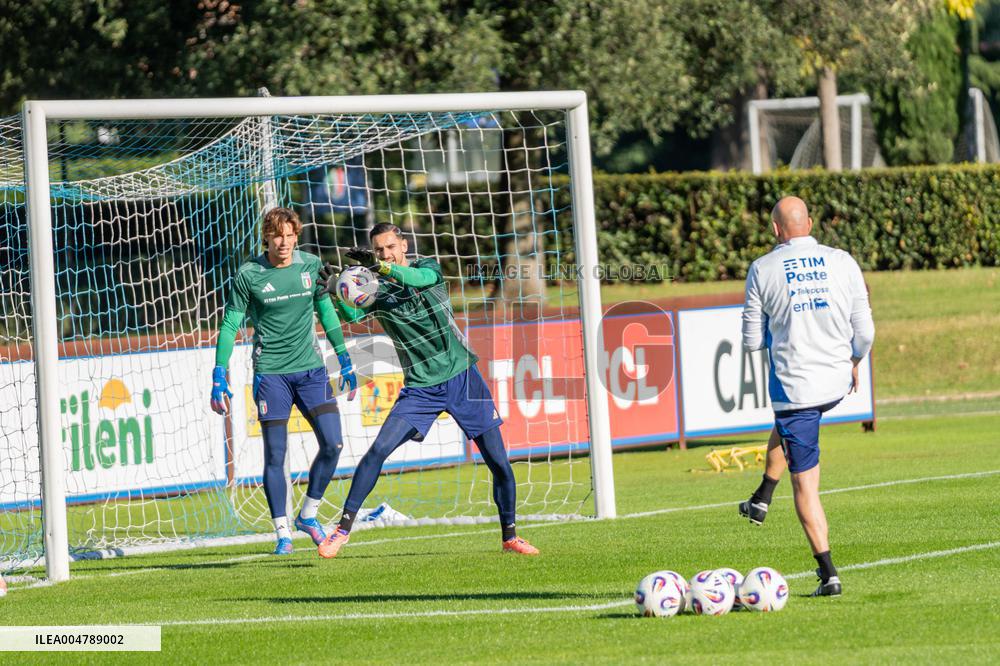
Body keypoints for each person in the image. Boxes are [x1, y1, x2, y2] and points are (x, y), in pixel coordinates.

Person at [315, 222, 540, 558]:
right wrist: (334, 289)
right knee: (377, 451)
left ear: (404, 245)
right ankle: (342, 530)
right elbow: (352, 312)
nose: (385, 253)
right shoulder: (377, 290)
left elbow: (416, 280)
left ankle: (510, 536)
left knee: (498, 462)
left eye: (390, 246)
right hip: (421, 388)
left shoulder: (427, 268)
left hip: (463, 377)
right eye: (378, 250)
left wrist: (381, 267)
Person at [738, 196, 874, 597]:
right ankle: (762, 496)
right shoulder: (843, 260)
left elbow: (749, 342)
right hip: (836, 381)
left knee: (806, 483)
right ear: (810, 223)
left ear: (775, 230)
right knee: (790, 426)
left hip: (796, 387)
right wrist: (852, 359)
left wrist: (779, 327)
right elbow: (864, 331)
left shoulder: (762, 268)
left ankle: (827, 572)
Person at [210, 207, 358, 555]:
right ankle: (282, 533)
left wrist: (345, 357)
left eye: (291, 236)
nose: (285, 243)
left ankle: (308, 514)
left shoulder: (310, 266)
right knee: (276, 453)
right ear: (267, 236)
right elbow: (231, 325)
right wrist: (219, 372)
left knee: (333, 444)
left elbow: (326, 313)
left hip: (311, 371)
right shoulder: (249, 274)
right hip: (271, 375)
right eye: (278, 236)